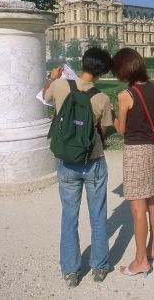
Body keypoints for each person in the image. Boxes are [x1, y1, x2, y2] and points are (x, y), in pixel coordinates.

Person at [43, 47, 113, 288]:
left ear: (82, 63)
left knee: (69, 216)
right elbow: (105, 130)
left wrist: (52, 78)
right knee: (98, 216)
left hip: (67, 161)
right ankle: (99, 266)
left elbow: (45, 97)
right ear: (102, 72)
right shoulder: (102, 98)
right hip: (93, 160)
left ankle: (71, 271)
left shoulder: (61, 86)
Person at [111, 47, 154, 276]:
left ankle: (141, 260)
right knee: (152, 199)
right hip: (151, 149)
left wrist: (112, 115)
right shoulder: (153, 89)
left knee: (137, 206)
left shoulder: (125, 95)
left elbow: (121, 129)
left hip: (135, 152)